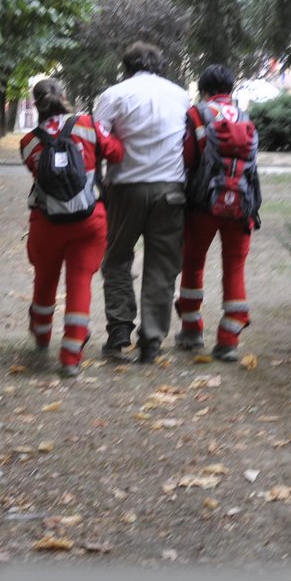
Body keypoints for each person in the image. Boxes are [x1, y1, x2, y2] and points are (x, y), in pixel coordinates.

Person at [93, 41, 190, 364]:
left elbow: (96, 141)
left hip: (125, 188)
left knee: (117, 258)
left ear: (127, 65)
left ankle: (119, 330)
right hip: (171, 188)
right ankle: (151, 340)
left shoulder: (113, 95)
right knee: (162, 267)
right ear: (159, 65)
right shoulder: (180, 95)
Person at [19, 78, 124, 378]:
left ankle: (41, 333)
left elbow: (38, 173)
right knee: (79, 282)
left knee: (45, 278)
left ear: (36, 104)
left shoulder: (28, 143)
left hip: (46, 222)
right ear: (65, 97)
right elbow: (116, 152)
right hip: (89, 220)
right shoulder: (88, 126)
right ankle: (71, 354)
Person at [175, 64, 261, 362]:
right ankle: (228, 340)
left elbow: (187, 157)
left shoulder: (196, 115)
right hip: (241, 205)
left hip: (203, 204)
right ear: (231, 90)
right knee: (234, 267)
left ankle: (192, 329)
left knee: (193, 263)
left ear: (204, 89)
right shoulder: (245, 117)